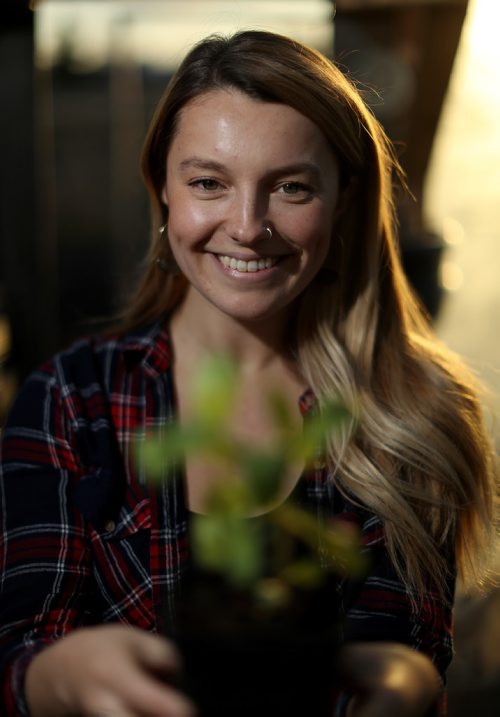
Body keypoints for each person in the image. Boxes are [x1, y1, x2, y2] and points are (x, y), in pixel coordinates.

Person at [0, 30, 497, 717]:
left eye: (290, 186)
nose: (246, 225)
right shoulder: (69, 402)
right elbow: (18, 648)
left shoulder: (412, 412)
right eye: (209, 182)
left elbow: (402, 640)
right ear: (163, 189)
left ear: (344, 201)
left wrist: (410, 678)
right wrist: (52, 675)